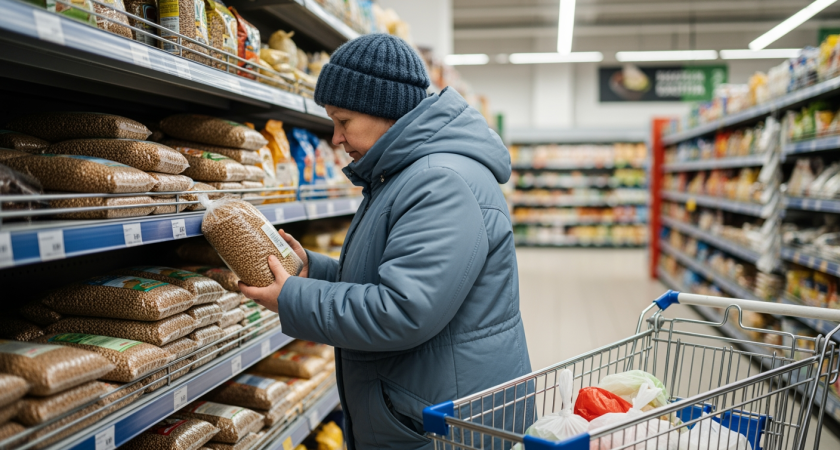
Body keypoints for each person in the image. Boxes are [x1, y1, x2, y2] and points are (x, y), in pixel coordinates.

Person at [240, 33, 531, 450]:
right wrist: (313, 271)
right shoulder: (404, 174)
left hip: (441, 426)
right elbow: (392, 275)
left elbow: (402, 310)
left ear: (385, 111)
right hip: (427, 407)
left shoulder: (440, 183)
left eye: (343, 122)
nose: (335, 138)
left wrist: (294, 298)